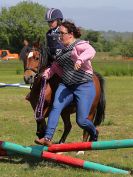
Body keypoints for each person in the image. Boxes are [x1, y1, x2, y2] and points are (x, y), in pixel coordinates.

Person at [35, 20, 98, 146]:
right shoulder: (62, 50)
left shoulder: (79, 45)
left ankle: (94, 132)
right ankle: (47, 138)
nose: (60, 36)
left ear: (70, 34)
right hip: (66, 86)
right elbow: (55, 66)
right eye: (59, 33)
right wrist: (47, 73)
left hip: (83, 85)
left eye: (62, 33)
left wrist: (80, 59)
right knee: (55, 107)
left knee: (81, 121)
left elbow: (91, 51)